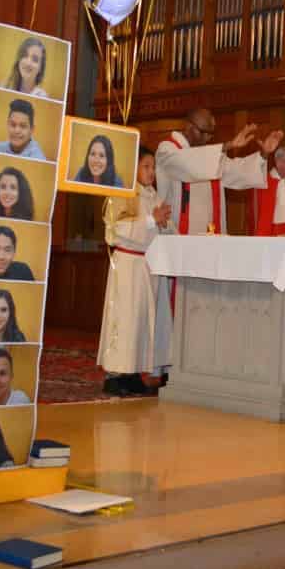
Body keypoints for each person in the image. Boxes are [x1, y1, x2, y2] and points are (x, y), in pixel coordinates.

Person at [98, 145, 173, 396]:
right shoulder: (121, 193)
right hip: (128, 264)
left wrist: (165, 224)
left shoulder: (152, 195)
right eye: (146, 166)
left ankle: (133, 373)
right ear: (134, 167)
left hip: (147, 264)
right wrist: (152, 220)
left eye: (153, 167)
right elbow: (117, 229)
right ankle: (115, 376)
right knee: (126, 320)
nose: (151, 172)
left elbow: (165, 225)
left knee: (141, 322)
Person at [155, 108, 281, 234]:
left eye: (210, 133)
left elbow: (235, 170)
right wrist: (228, 145)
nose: (207, 138)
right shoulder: (167, 149)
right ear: (189, 127)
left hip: (210, 233)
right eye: (204, 132)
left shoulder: (210, 156)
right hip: (177, 235)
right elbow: (187, 164)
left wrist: (264, 153)